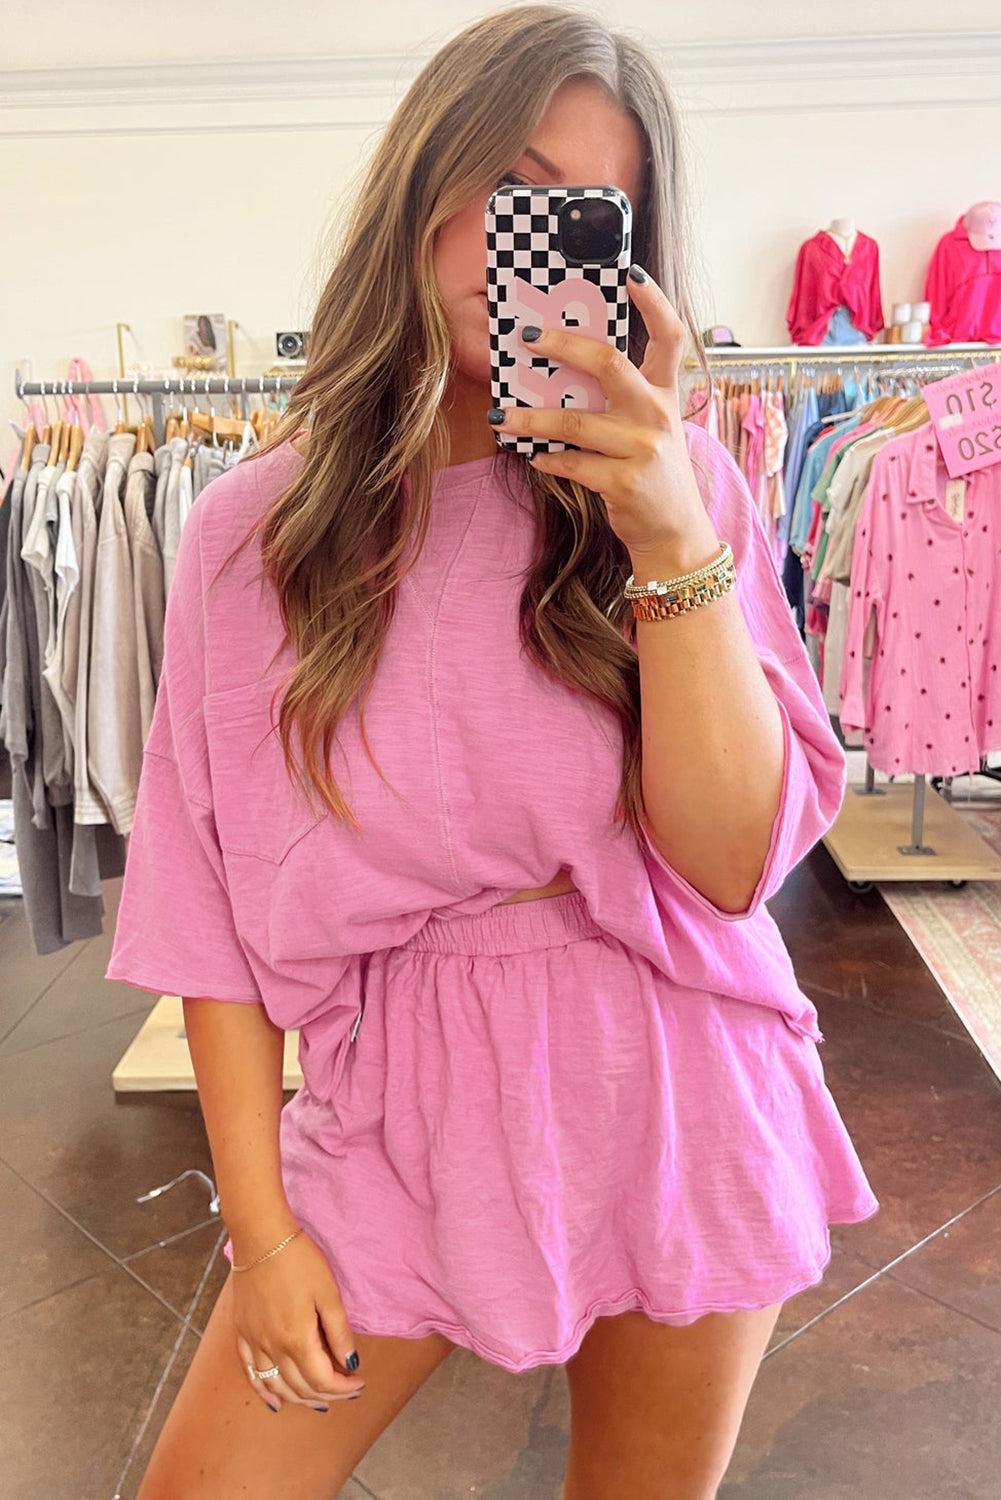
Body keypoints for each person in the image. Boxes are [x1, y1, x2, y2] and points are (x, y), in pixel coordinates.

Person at [106, 7, 879, 1497]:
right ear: (424, 181)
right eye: (510, 181)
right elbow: (204, 915)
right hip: (397, 1099)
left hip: (675, 1080)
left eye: (588, 210)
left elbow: (731, 865)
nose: (530, 239)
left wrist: (669, 535)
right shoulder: (250, 535)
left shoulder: (678, 486)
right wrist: (261, 1237)